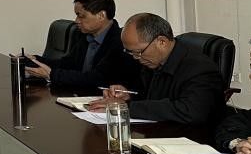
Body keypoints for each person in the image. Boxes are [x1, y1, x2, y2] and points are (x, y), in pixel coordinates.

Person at [88, 12, 224, 126]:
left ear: (162, 42)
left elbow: (190, 111)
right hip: (160, 131)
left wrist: (125, 107)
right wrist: (128, 96)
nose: (136, 58)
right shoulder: (153, 61)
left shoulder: (201, 69)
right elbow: (152, 97)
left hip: (194, 138)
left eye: (138, 52)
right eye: (131, 52)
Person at [25, 0, 126, 93]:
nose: (76, 21)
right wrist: (35, 60)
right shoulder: (83, 35)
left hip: (102, 96)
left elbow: (98, 78)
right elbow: (67, 64)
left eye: (81, 16)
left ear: (101, 15)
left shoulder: (120, 41)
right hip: (79, 93)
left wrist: (51, 74)